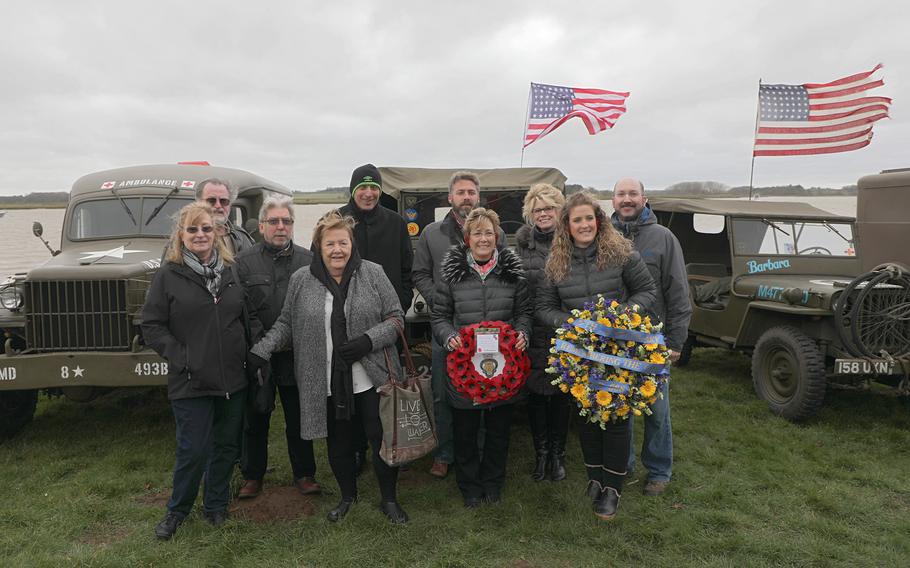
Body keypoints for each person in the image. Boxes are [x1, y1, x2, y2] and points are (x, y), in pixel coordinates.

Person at [248, 211, 409, 524]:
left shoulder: (373, 273)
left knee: (380, 437)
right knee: (338, 442)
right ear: (318, 247)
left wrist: (367, 340)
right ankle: (347, 496)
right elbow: (286, 324)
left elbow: (395, 318)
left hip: (372, 376)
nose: (338, 250)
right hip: (326, 379)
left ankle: (389, 499)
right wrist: (261, 351)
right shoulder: (301, 280)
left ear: (352, 244)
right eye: (330, 244)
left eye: (343, 242)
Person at [537, 192, 657, 520]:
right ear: (567, 226)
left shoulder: (622, 254)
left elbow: (647, 291)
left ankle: (612, 490)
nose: (585, 224)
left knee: (616, 419)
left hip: (618, 351)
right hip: (579, 355)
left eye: (589, 217)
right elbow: (544, 308)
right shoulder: (556, 262)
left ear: (599, 220)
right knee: (587, 418)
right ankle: (595, 478)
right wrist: (575, 324)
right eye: (577, 219)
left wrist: (621, 318)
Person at [141, 202, 249, 540]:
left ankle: (215, 505)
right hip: (190, 379)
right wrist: (181, 357)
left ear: (216, 233)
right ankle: (177, 511)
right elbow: (153, 325)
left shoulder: (231, 272)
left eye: (206, 228)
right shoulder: (168, 275)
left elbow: (242, 318)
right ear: (181, 236)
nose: (200, 235)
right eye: (192, 229)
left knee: (226, 446)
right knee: (194, 449)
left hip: (232, 377)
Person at [431, 208, 532, 507]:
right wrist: (449, 337)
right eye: (478, 233)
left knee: (499, 431)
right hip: (464, 367)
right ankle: (470, 486)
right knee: (466, 430)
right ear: (467, 238)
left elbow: (523, 312)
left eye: (489, 233)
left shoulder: (513, 274)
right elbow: (439, 316)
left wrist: (523, 333)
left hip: (504, 368)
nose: (484, 238)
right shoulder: (450, 274)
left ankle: (493, 483)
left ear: (498, 237)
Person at [413, 171, 506, 479]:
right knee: (443, 392)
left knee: (484, 387)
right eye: (461, 192)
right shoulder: (431, 234)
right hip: (446, 328)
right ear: (449, 198)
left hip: (486, 329)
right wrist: (442, 300)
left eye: (471, 192)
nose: (467, 197)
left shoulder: (496, 232)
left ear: (479, 198)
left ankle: (478, 450)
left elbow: (503, 274)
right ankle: (445, 452)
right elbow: (420, 273)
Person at [235, 197, 322, 499]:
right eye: (274, 221)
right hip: (260, 353)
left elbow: (313, 306)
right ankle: (252, 475)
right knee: (256, 416)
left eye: (286, 221)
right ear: (261, 226)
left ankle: (305, 473)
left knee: (299, 416)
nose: (281, 226)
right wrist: (263, 344)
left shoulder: (307, 260)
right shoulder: (244, 262)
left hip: (297, 355)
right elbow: (244, 309)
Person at [611, 177, 692, 496]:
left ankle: (659, 470)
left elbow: (679, 291)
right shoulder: (604, 236)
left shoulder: (664, 238)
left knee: (656, 409)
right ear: (613, 200)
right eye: (621, 194)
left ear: (644, 198)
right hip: (614, 338)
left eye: (633, 193)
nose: (627, 199)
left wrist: (675, 341)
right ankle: (624, 463)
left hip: (652, 340)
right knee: (619, 403)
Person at [339, 164, 415, 473]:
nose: (369, 193)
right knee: (351, 389)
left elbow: (407, 269)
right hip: (346, 322)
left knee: (387, 387)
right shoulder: (337, 221)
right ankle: (356, 448)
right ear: (353, 190)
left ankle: (389, 444)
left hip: (387, 323)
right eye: (362, 188)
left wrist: (401, 302)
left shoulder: (396, 223)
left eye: (374, 187)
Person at [515, 183, 571, 482]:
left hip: (564, 326)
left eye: (549, 208)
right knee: (536, 394)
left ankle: (558, 456)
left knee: (561, 394)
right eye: (538, 209)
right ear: (530, 213)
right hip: (534, 328)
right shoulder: (523, 246)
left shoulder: (571, 242)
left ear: (559, 210)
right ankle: (541, 454)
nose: (544, 214)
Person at [196, 178, 254, 254]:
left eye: (224, 201)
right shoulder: (189, 237)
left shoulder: (242, 237)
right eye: (211, 201)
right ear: (199, 203)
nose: (218, 205)